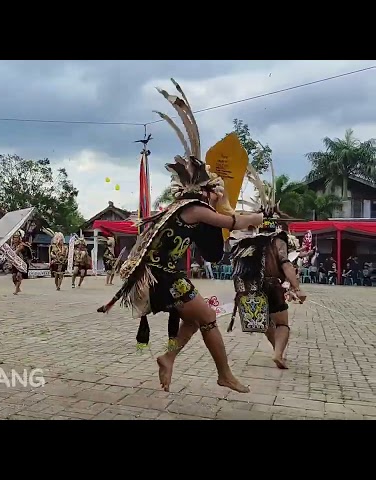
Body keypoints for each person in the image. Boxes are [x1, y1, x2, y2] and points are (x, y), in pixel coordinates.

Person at [98, 79, 262, 393]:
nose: (217, 195)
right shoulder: (195, 208)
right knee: (209, 317)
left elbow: (215, 242)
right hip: (161, 277)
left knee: (196, 318)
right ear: (206, 190)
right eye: (216, 190)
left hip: (167, 275)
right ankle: (224, 374)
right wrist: (258, 217)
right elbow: (233, 220)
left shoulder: (185, 207)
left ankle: (169, 358)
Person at [228, 163, 307, 370]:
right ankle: (278, 353)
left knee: (263, 322)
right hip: (271, 285)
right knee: (282, 323)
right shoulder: (278, 239)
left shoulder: (247, 239)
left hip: (248, 287)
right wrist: (297, 287)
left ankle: (277, 352)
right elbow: (285, 262)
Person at [8, 230, 31, 295]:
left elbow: (16, 252)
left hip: (22, 263)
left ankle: (16, 290)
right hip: (15, 263)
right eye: (14, 237)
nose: (15, 239)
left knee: (19, 276)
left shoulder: (22, 245)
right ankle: (18, 288)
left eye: (17, 237)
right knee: (13, 277)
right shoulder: (13, 246)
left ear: (19, 238)